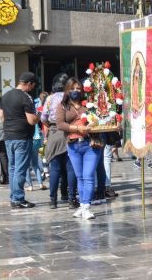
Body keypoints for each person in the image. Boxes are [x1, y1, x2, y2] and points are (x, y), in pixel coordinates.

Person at [56, 77, 103, 219]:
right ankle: (82, 206)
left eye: (78, 89)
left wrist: (90, 125)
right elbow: (60, 124)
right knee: (80, 177)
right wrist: (77, 127)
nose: (76, 91)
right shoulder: (63, 105)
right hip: (73, 144)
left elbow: (99, 118)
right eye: (73, 88)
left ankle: (87, 206)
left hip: (90, 144)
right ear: (67, 90)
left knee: (88, 176)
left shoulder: (88, 104)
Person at [1, 72, 40, 209]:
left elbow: (1, 117)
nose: (32, 88)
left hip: (8, 136)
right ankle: (18, 198)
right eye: (33, 86)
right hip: (22, 137)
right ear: (29, 84)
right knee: (20, 169)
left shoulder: (5, 96)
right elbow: (31, 120)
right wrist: (39, 116)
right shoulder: (26, 97)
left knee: (12, 168)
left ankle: (14, 197)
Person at [42, 74, 77, 209]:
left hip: (54, 133)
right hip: (70, 132)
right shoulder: (70, 97)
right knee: (70, 167)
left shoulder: (50, 99)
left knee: (55, 168)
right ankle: (71, 198)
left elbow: (43, 117)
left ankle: (53, 201)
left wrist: (52, 126)